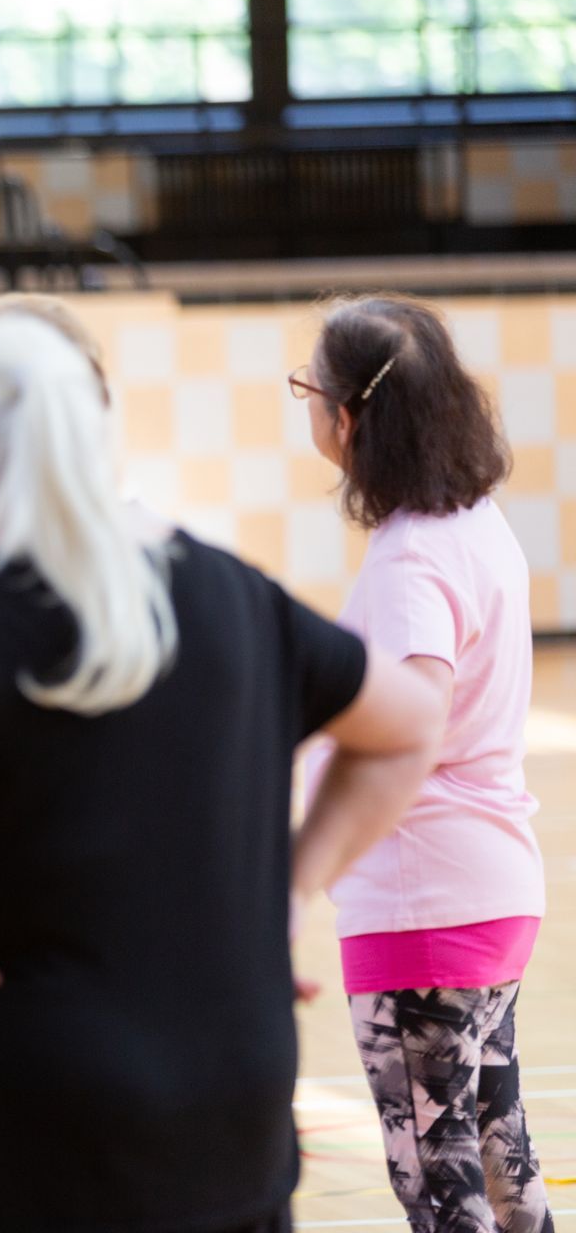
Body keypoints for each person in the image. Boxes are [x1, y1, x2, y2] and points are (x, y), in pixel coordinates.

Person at [0, 313, 448, 1233]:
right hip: (226, 1123)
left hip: (14, 1139)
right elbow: (410, 725)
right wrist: (294, 886)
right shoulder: (237, 597)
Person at [293, 293, 554, 1233]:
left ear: (352, 418)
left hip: (422, 908)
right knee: (500, 1153)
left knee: (439, 1191)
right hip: (487, 892)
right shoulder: (480, 526)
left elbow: (408, 728)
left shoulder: (410, 563)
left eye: (309, 391)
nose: (309, 409)